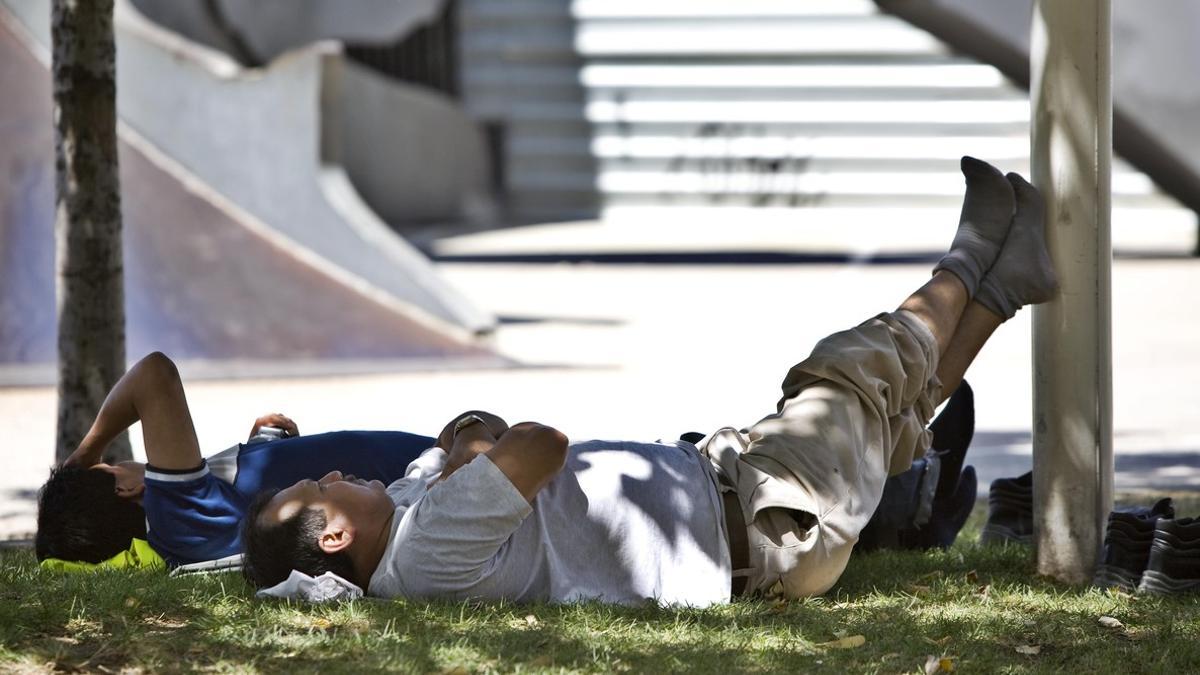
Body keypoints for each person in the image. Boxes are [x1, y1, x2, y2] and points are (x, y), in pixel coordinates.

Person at [242, 157, 1057, 605]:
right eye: (324, 484)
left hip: (735, 479)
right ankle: (968, 254)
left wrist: (467, 442)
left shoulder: (416, 502)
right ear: (337, 537)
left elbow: (469, 424)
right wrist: (478, 446)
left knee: (891, 409)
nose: (337, 469)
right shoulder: (422, 552)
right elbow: (535, 443)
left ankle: (1002, 284)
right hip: (768, 525)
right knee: (851, 368)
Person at [35, 353, 434, 567]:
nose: (136, 462)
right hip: (417, 474)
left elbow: (239, 505)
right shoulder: (175, 517)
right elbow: (153, 375)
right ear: (127, 488)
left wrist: (258, 445)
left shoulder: (192, 521)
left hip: (413, 471)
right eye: (114, 464)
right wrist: (84, 454)